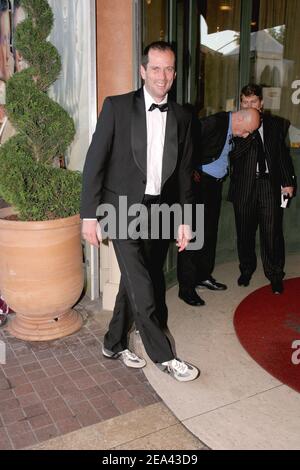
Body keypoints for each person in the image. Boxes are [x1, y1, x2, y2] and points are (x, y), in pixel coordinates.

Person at [80, 41, 199, 382]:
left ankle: (113, 342)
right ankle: (165, 356)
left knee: (131, 283)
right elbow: (94, 163)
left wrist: (187, 221)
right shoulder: (117, 107)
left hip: (158, 211)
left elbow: (185, 175)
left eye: (169, 69)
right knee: (145, 285)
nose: (163, 76)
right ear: (143, 70)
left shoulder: (183, 117)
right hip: (118, 209)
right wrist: (89, 215)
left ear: (175, 73)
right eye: (156, 68)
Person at [177, 107, 261, 306]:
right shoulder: (214, 123)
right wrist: (192, 171)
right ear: (240, 120)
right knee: (192, 236)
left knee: (208, 234)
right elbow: (184, 143)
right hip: (199, 185)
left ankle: (203, 276)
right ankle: (186, 288)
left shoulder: (233, 130)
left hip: (214, 185)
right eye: (248, 130)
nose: (247, 134)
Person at [228, 83, 296, 294]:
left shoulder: (276, 125)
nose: (248, 105)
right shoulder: (234, 125)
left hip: (268, 184)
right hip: (244, 187)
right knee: (244, 233)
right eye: (245, 102)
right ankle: (246, 269)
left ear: (262, 103)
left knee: (272, 232)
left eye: (253, 102)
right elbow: (232, 158)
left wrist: (288, 182)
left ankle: (275, 274)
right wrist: (246, 136)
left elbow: (282, 156)